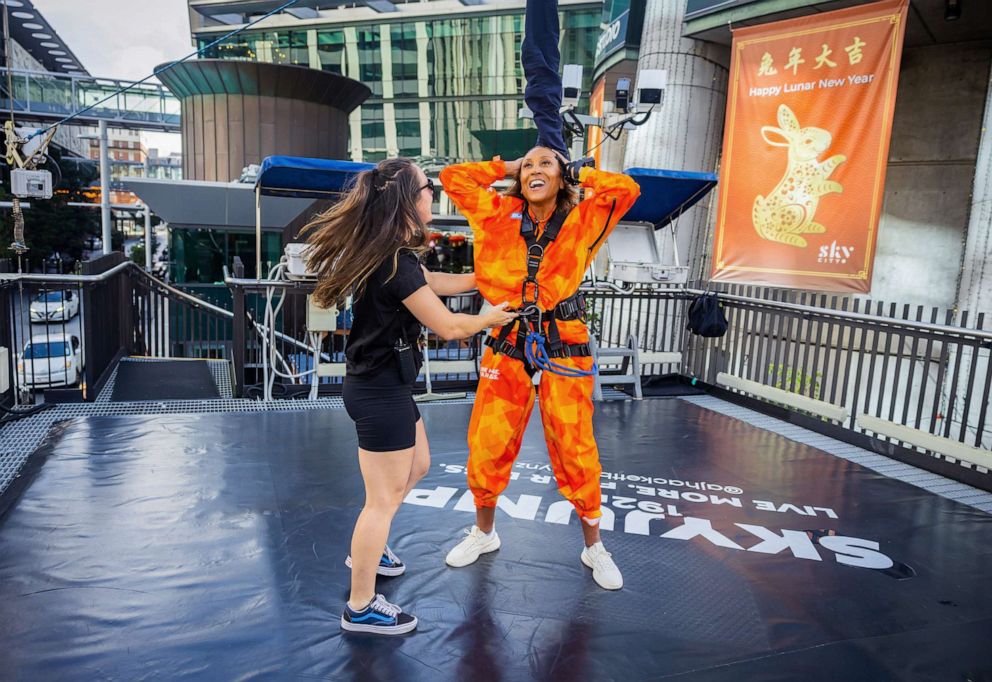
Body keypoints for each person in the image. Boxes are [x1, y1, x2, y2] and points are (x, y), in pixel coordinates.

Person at [303, 157, 517, 635]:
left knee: (417, 466)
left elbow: (427, 285)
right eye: (426, 187)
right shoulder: (395, 261)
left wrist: (480, 281)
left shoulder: (395, 254)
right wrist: (491, 316)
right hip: (378, 392)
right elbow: (449, 326)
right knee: (380, 501)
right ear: (407, 198)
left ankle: (371, 549)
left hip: (386, 386)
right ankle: (360, 605)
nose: (432, 194)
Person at [439, 147, 640, 590]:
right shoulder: (495, 212)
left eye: (545, 164)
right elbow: (453, 176)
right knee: (487, 445)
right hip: (507, 340)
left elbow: (626, 189)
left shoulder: (583, 220)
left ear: (562, 177)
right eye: (527, 165)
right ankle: (484, 534)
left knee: (575, 447)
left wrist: (578, 171)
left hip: (563, 344)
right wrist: (505, 167)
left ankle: (594, 547)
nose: (534, 170)